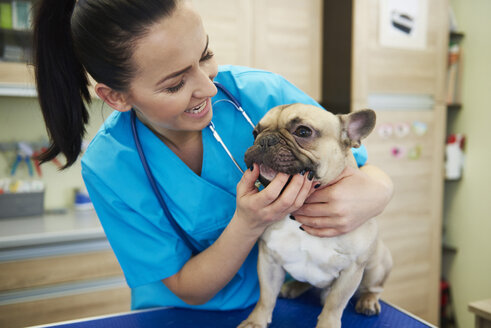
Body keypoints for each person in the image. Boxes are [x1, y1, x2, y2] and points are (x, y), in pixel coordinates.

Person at [32, 0, 393, 311]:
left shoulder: (262, 92)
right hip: (186, 318)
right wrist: (248, 223)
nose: (207, 86)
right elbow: (188, 288)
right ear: (117, 97)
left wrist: (379, 189)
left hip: (289, 303)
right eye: (175, 84)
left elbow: (355, 165)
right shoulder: (110, 166)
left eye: (205, 55)